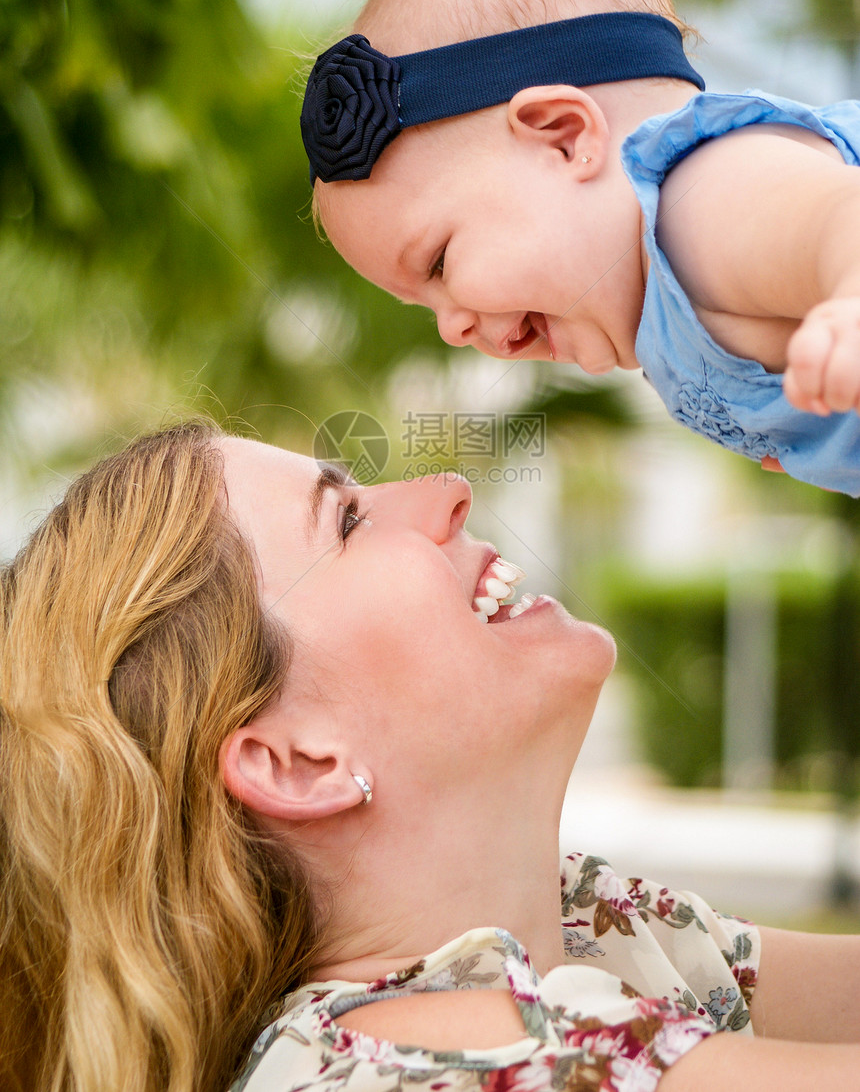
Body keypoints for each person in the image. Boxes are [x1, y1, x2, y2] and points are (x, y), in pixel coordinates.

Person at [1, 421, 859, 1092]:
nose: (451, 489)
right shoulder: (416, 1069)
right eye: (348, 519)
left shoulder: (591, 923)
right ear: (300, 761)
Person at [301, 0, 860, 496]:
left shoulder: (697, 203)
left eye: (439, 263)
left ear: (566, 139)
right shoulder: (660, 308)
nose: (452, 329)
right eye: (421, 304)